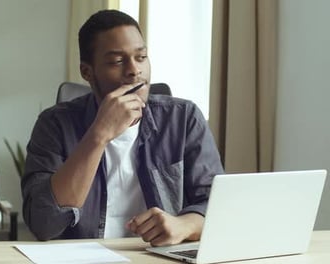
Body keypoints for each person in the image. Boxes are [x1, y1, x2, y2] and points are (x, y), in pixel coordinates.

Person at [21, 9, 224, 246]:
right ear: (87, 71)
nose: (134, 70)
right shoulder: (54, 125)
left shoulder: (183, 119)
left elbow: (218, 205)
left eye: (141, 57)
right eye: (117, 61)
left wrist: (183, 225)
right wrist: (99, 135)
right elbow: (43, 223)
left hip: (155, 256)